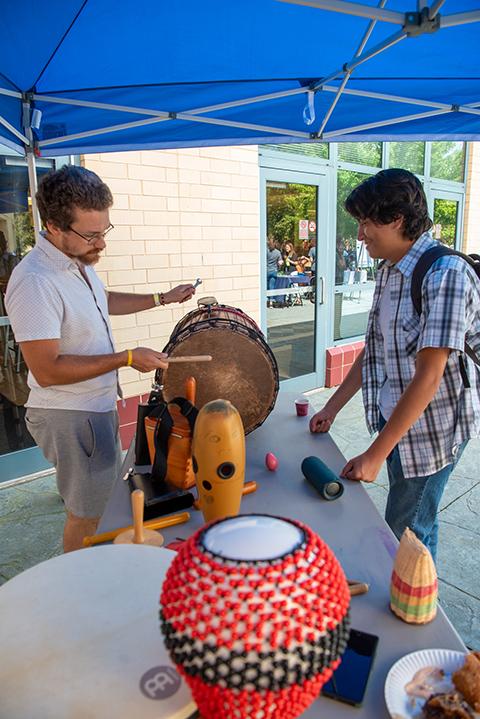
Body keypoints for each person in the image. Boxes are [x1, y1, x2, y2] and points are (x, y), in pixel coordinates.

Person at [5, 165, 196, 552]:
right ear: (55, 227)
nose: (101, 244)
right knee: (86, 513)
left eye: (103, 231)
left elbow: (102, 301)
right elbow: (47, 369)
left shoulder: (75, 263)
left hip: (93, 404)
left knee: (99, 497)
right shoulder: (35, 281)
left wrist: (162, 298)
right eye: (91, 235)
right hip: (70, 414)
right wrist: (126, 357)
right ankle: (81, 588)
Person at [310, 168, 480, 562]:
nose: (359, 234)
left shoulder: (446, 275)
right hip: (397, 419)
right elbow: (375, 349)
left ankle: (416, 612)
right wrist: (332, 408)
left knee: (407, 530)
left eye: (366, 222)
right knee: (415, 521)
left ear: (397, 219)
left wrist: (375, 453)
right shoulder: (390, 269)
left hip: (431, 429)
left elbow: (430, 374)